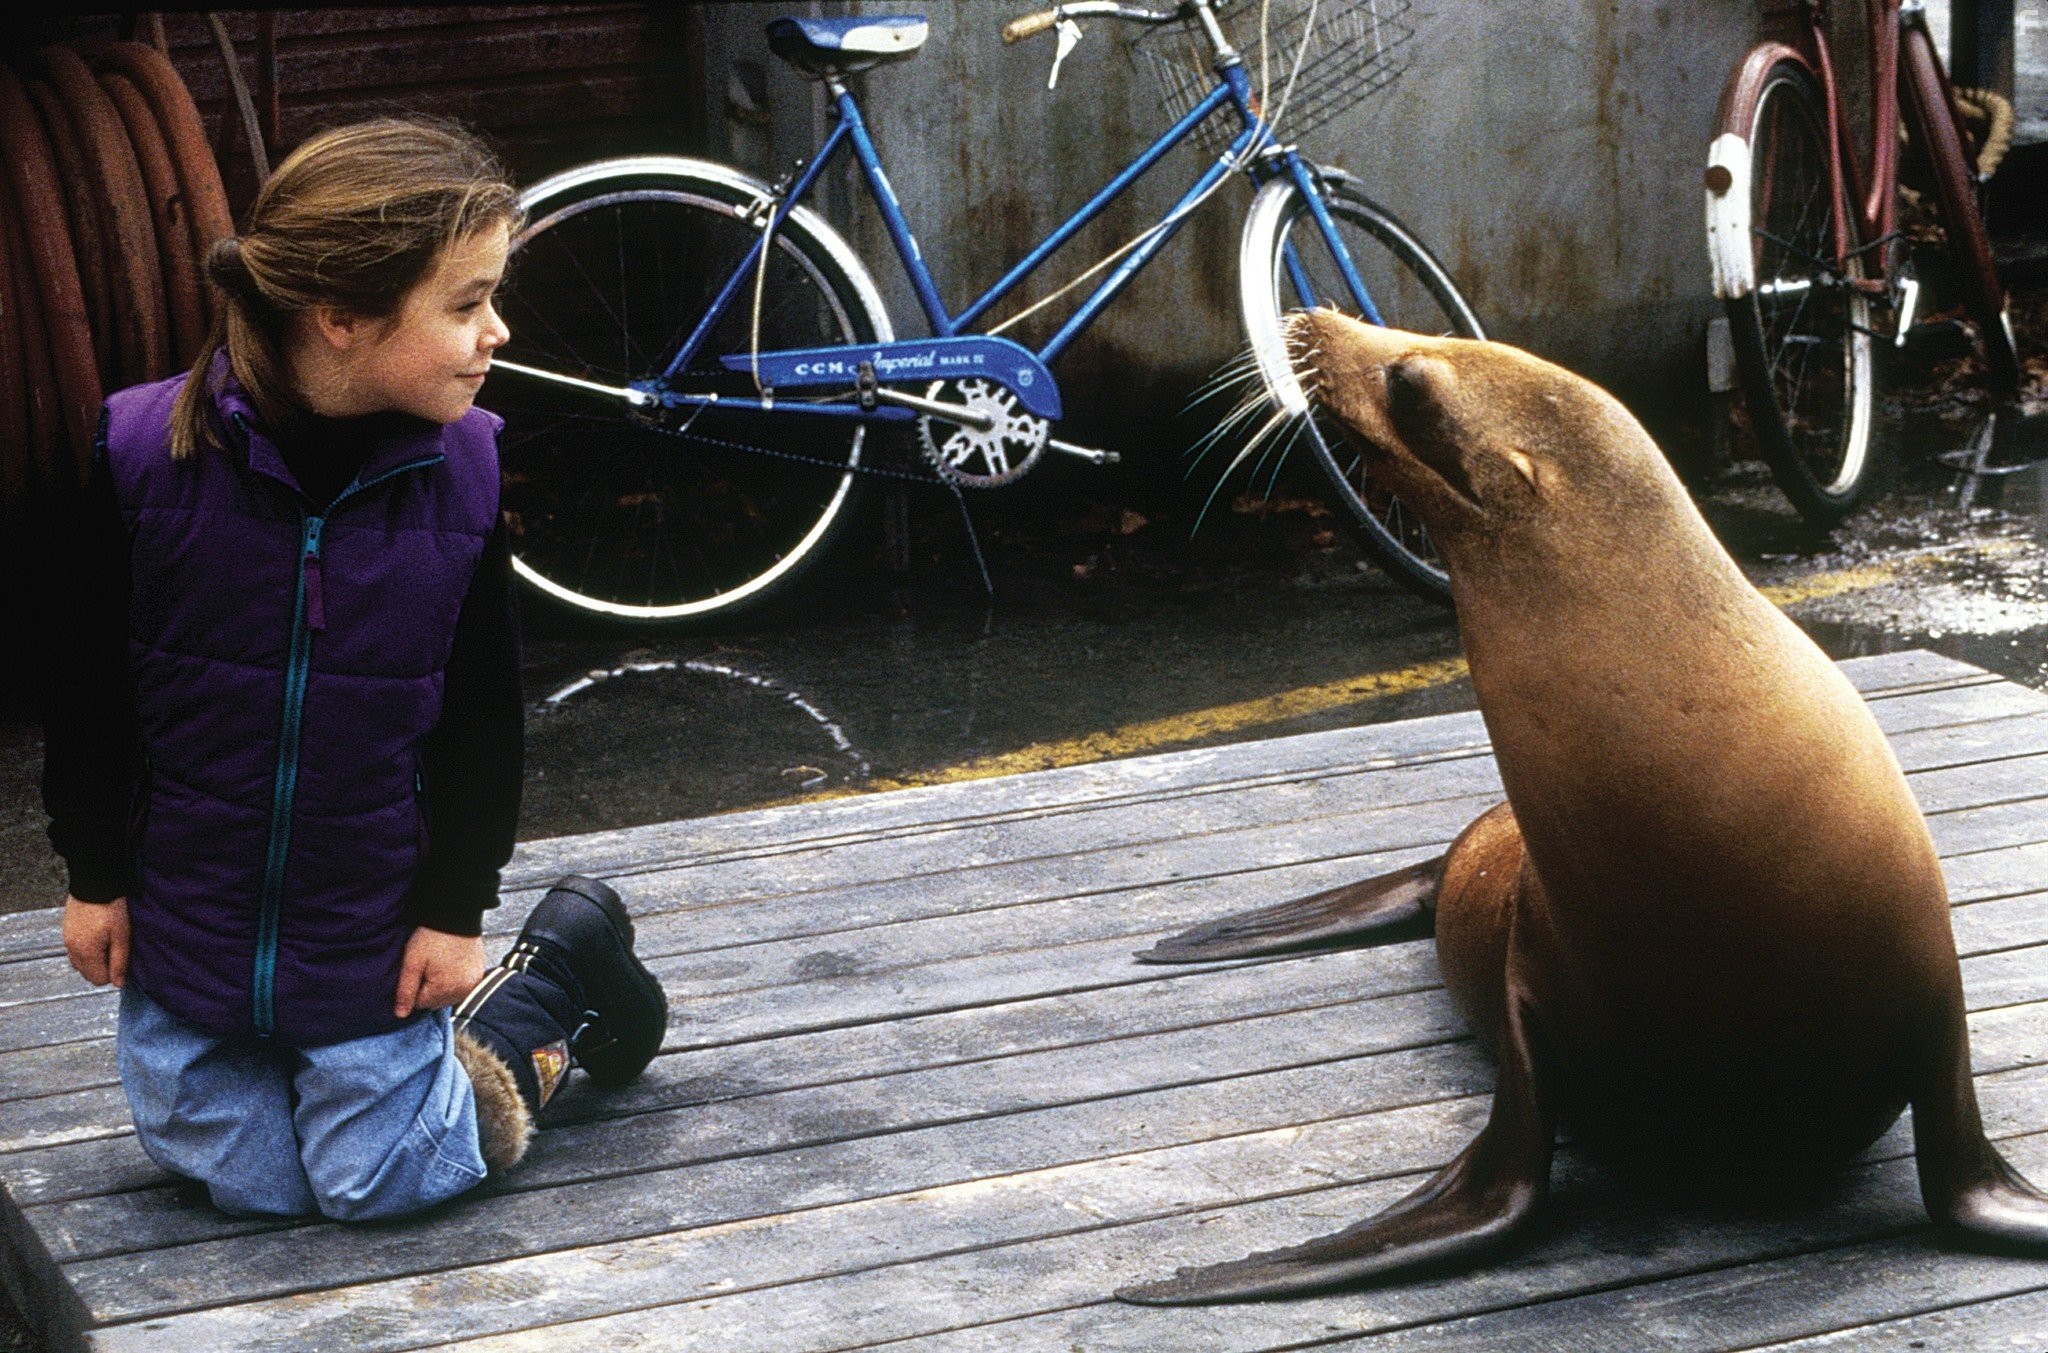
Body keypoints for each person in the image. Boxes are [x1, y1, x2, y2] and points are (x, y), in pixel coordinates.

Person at [41, 118, 665, 1221]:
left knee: (381, 1180)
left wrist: (455, 910)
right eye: (466, 304)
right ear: (339, 317)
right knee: (249, 1184)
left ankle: (551, 986)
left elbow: (482, 722)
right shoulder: (143, 458)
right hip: (193, 926)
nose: (498, 331)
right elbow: (88, 692)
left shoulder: (464, 476)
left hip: (367, 934)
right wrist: (94, 873)